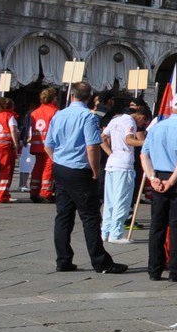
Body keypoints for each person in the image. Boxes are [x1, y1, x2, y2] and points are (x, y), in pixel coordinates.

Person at [44, 81, 128, 276]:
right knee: (90, 216)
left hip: (61, 168)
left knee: (63, 215)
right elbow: (92, 146)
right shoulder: (87, 117)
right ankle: (101, 262)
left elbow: (48, 144)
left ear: (72, 95)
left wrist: (57, 160)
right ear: (89, 98)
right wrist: (95, 170)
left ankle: (63, 259)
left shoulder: (59, 115)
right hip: (80, 170)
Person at [140, 92, 177, 282]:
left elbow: (144, 155)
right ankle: (175, 270)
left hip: (158, 176)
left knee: (157, 225)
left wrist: (152, 177)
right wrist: (172, 181)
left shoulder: (156, 128)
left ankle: (154, 269)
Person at [101, 102, 146, 243]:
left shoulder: (115, 119)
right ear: (141, 117)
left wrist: (111, 153)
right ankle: (116, 233)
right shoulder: (129, 121)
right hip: (124, 164)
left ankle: (105, 231)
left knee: (110, 200)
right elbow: (130, 140)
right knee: (122, 199)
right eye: (143, 122)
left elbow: (102, 137)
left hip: (113, 162)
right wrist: (147, 142)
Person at [27, 87, 58, 203]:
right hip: (50, 145)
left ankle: (34, 190)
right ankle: (46, 192)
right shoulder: (55, 111)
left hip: (37, 144)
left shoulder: (34, 112)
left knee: (37, 168)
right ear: (53, 98)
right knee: (48, 169)